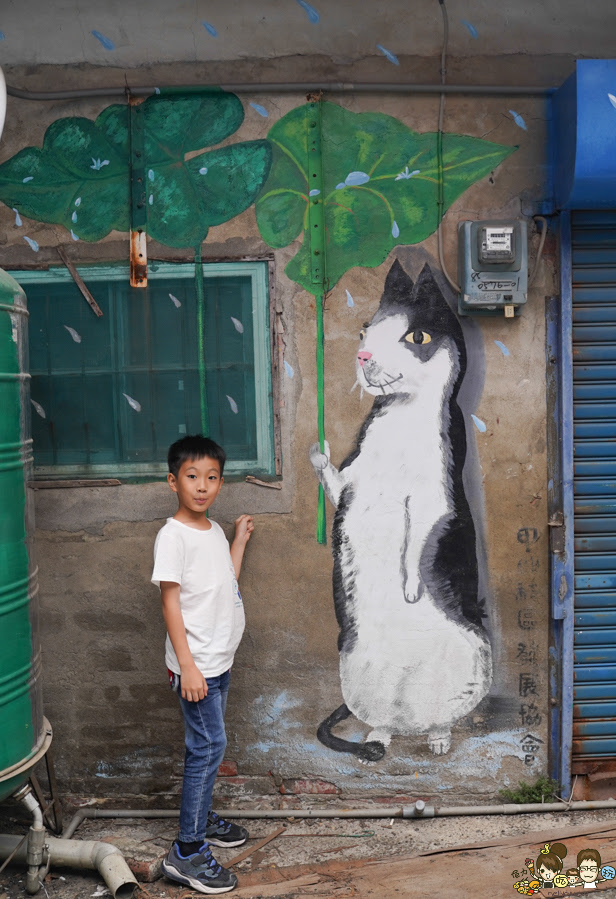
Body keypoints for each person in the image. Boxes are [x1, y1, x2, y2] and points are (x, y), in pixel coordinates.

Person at [152, 434, 254, 894]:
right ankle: (187, 851)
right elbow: (170, 605)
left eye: (211, 478)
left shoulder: (211, 531)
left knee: (208, 747)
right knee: (208, 747)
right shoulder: (172, 537)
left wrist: (239, 541)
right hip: (197, 668)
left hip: (219, 659)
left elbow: (224, 579)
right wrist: (189, 668)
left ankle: (200, 814)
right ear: (173, 481)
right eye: (192, 477)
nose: (202, 486)